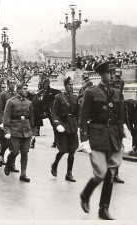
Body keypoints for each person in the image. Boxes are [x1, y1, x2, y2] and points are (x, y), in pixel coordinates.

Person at [79, 61, 125, 220]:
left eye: (114, 73)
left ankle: (103, 209)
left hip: (113, 137)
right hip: (96, 136)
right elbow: (83, 116)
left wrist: (122, 136)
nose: (112, 76)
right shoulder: (91, 92)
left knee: (111, 172)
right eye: (109, 73)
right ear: (101, 75)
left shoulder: (117, 93)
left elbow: (120, 118)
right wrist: (83, 138)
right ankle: (85, 194)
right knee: (100, 173)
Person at [3, 82, 34, 182]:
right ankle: (8, 164)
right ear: (19, 90)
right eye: (24, 89)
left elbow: (31, 118)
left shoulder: (29, 103)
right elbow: (6, 117)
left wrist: (32, 132)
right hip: (15, 130)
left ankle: (23, 174)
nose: (26, 90)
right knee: (15, 151)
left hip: (26, 131)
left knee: (25, 152)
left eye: (27, 88)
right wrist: (7, 131)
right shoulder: (11, 102)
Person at [50, 77, 79, 182]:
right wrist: (57, 124)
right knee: (63, 149)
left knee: (72, 150)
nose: (70, 87)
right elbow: (53, 113)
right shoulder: (59, 97)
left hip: (73, 126)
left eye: (72, 85)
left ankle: (69, 173)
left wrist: (80, 123)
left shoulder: (76, 98)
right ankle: (55, 164)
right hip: (63, 125)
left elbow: (78, 113)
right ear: (65, 86)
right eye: (69, 85)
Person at [0, 78, 19, 171]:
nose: (12, 85)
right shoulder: (3, 95)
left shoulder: (16, 94)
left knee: (14, 145)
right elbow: (0, 110)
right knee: (4, 144)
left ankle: (12, 164)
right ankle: (0, 156)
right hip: (6, 122)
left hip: (14, 123)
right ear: (7, 84)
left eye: (14, 83)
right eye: (11, 83)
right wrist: (1, 122)